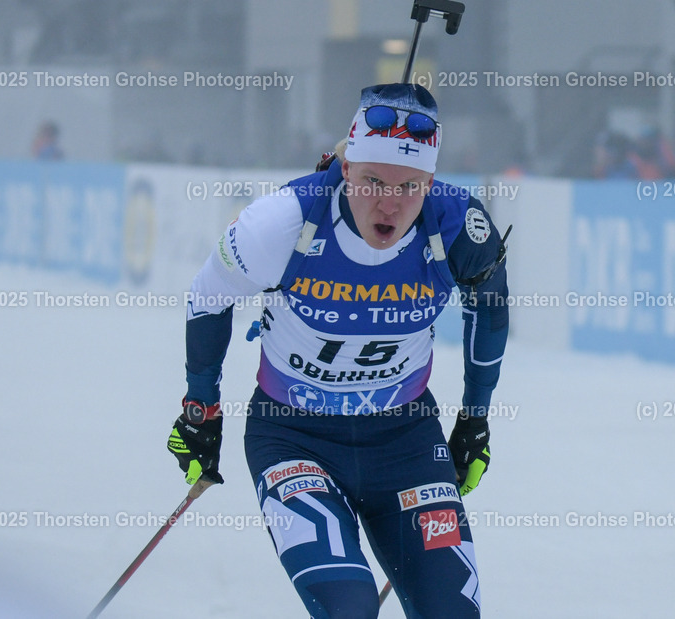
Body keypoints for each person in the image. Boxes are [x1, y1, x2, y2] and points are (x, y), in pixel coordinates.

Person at [167, 83, 510, 618]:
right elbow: (209, 297)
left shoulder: (459, 226)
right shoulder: (282, 221)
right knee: (350, 608)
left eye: (410, 186)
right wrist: (200, 408)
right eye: (373, 180)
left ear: (430, 182)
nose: (390, 203)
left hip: (406, 443)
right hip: (293, 436)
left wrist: (475, 419)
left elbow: (489, 310)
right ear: (346, 168)